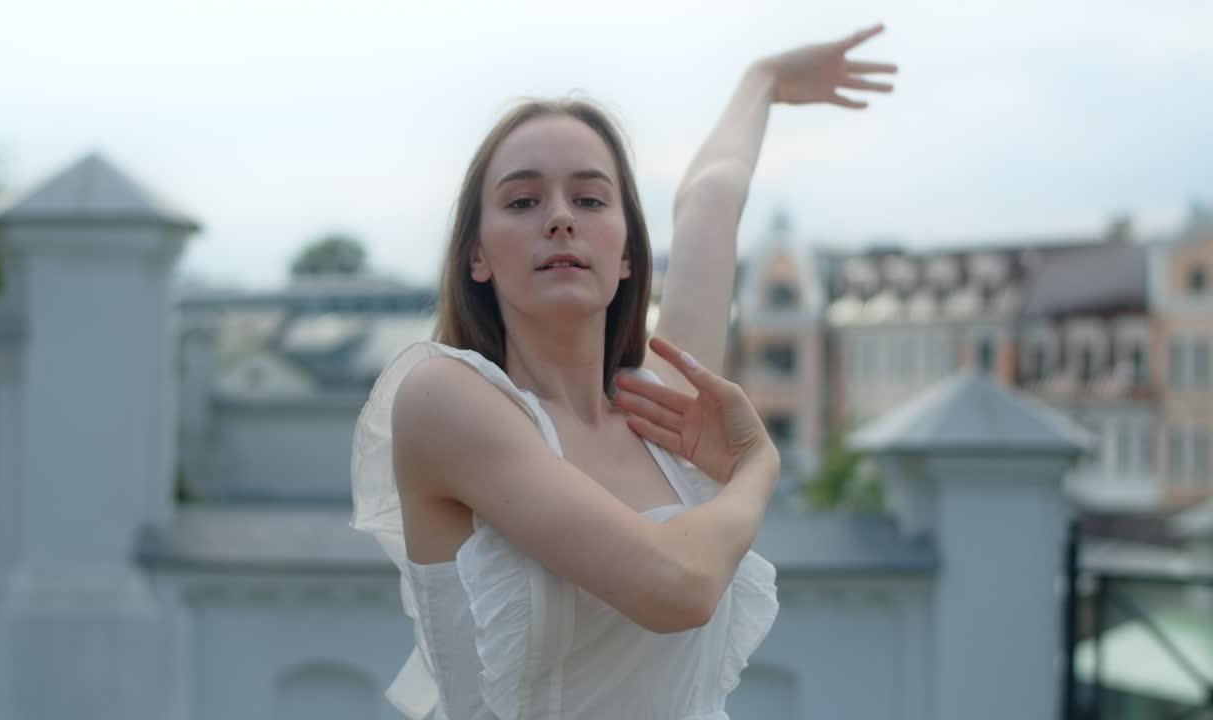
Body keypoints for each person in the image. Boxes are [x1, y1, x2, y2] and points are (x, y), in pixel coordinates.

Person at [352, 25, 896, 720]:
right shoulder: (446, 400)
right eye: (523, 201)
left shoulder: (664, 409)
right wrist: (757, 465)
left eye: (589, 198)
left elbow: (710, 198)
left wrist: (763, 82)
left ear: (629, 253)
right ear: (476, 256)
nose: (559, 219)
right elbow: (677, 588)